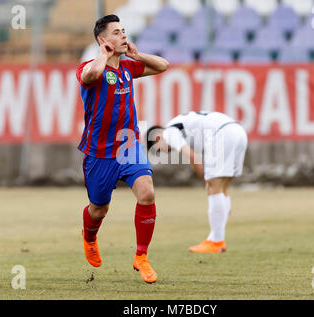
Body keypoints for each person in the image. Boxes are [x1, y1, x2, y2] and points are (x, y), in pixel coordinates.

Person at [76, 14, 169, 283]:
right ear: (102, 40)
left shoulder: (128, 68)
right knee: (99, 209)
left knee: (147, 193)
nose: (123, 36)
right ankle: (90, 236)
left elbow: (163, 66)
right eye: (116, 32)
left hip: (129, 145)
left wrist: (139, 56)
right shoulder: (89, 68)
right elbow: (92, 74)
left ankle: (141, 256)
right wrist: (104, 55)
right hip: (99, 152)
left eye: (124, 31)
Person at [146, 111, 248, 253]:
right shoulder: (179, 124)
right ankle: (216, 238)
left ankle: (216, 242)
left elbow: (191, 156)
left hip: (222, 134)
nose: (165, 153)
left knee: (213, 187)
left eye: (160, 150)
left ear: (157, 138)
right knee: (223, 187)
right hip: (238, 131)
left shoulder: (169, 133)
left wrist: (207, 180)